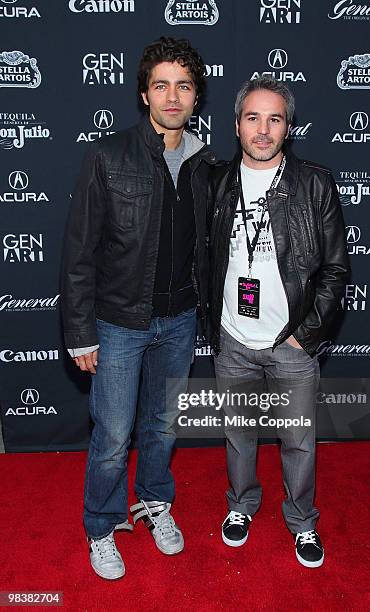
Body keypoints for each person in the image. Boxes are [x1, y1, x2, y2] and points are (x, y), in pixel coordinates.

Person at [60, 36, 215, 580]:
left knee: (164, 426)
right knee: (112, 436)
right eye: (161, 85)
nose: (172, 97)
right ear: (144, 95)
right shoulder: (108, 155)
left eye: (184, 86)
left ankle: (154, 502)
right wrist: (80, 332)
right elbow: (79, 251)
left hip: (179, 322)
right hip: (119, 323)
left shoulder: (204, 164)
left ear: (196, 97)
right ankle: (101, 528)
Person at [209, 77, 349, 568]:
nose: (263, 129)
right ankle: (241, 505)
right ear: (237, 125)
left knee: (297, 439)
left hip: (290, 343)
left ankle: (302, 520)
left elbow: (335, 269)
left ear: (288, 128)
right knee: (238, 433)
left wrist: (304, 336)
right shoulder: (217, 182)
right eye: (253, 118)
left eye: (274, 119)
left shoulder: (313, 183)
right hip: (233, 337)